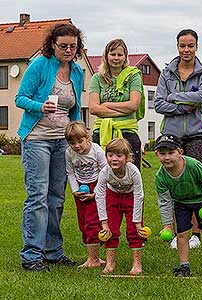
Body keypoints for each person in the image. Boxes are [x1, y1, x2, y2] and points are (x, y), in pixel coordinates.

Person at [15, 23, 84, 271]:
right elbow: (20, 98)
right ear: (53, 44)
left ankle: (53, 252)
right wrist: (40, 106)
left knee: (56, 198)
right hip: (37, 139)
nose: (68, 50)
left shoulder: (77, 71)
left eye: (72, 46)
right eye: (63, 45)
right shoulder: (40, 65)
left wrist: (79, 133)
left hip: (62, 141)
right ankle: (31, 256)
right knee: (38, 197)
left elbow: (75, 108)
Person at [155, 29, 202, 249]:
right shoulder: (166, 73)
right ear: (177, 46)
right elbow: (159, 104)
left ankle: (197, 232)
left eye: (190, 45)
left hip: (197, 134)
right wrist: (184, 108)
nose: (186, 50)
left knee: (196, 183)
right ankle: (181, 232)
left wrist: (174, 97)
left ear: (197, 46)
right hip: (172, 135)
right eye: (182, 45)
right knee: (176, 184)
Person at [154, 134, 202, 277]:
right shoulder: (160, 176)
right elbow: (164, 202)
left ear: (180, 152)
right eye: (162, 154)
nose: (167, 157)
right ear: (157, 154)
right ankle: (184, 266)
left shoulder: (193, 165)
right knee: (181, 234)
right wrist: (167, 224)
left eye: (171, 153)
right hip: (181, 203)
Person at [89, 39, 145, 170]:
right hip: (102, 131)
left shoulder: (133, 76)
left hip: (128, 131)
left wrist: (107, 104)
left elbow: (134, 105)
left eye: (120, 55)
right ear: (106, 56)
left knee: (131, 174)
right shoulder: (97, 78)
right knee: (102, 175)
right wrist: (124, 110)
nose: (116, 58)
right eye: (113, 54)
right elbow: (93, 108)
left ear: (125, 57)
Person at [94, 138, 146, 275]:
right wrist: (104, 223)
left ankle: (137, 264)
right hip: (112, 197)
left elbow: (139, 196)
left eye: (119, 155)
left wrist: (137, 223)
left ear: (127, 157)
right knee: (110, 231)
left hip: (131, 198)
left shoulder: (133, 171)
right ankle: (110, 263)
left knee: (134, 232)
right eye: (110, 155)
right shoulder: (105, 172)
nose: (114, 159)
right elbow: (99, 195)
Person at [64, 121, 107, 268]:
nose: (77, 146)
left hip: (95, 187)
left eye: (80, 141)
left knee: (91, 223)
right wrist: (75, 190)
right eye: (72, 143)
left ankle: (93, 260)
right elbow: (70, 172)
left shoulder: (96, 150)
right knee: (83, 224)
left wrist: (95, 193)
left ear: (87, 138)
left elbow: (105, 171)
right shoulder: (69, 153)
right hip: (81, 191)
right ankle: (94, 257)